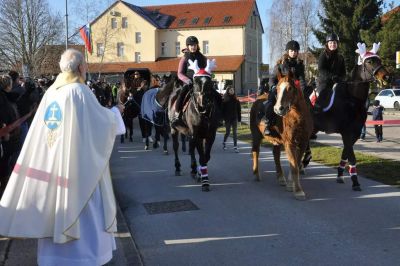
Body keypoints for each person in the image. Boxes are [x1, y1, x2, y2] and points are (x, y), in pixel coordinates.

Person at [0, 48, 125, 266]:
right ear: (79, 67)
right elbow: (100, 123)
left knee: (55, 208)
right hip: (77, 166)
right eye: (85, 65)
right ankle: (86, 257)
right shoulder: (79, 91)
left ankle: (54, 258)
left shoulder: (51, 92)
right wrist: (116, 113)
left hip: (53, 164)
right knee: (85, 210)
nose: (85, 69)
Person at [264, 40, 306, 136]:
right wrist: (274, 87)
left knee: (306, 103)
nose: (293, 52)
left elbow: (302, 79)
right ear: (288, 51)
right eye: (291, 51)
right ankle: (268, 124)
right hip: (279, 88)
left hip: (293, 90)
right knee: (270, 102)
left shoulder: (300, 65)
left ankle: (307, 127)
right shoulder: (280, 63)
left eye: (295, 51)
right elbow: (272, 78)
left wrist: (303, 90)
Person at [173, 35, 207, 121]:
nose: (193, 47)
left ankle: (218, 117)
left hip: (201, 83)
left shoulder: (202, 57)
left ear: (197, 46)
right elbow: (179, 73)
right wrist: (187, 80)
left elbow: (206, 70)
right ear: (188, 46)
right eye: (191, 45)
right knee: (182, 94)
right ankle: (177, 114)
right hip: (189, 82)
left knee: (215, 94)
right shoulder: (184, 58)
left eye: (195, 45)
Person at [314, 33, 346, 113]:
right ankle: (317, 111)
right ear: (327, 44)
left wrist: (341, 79)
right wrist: (332, 77)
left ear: (337, 44)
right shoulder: (323, 55)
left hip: (337, 82)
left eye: (334, 43)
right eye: (330, 43)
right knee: (323, 94)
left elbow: (343, 72)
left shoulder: (340, 57)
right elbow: (321, 69)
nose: (332, 44)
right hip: (324, 82)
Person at [222, 86, 241, 153]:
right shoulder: (225, 100)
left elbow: (239, 111)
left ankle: (235, 147)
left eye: (233, 90)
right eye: (230, 90)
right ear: (228, 91)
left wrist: (239, 120)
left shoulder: (236, 100)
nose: (232, 91)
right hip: (227, 118)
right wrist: (223, 119)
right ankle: (224, 142)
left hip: (234, 118)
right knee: (228, 132)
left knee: (235, 132)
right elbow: (223, 111)